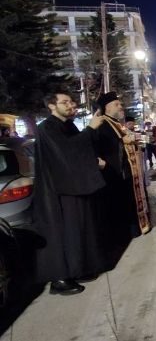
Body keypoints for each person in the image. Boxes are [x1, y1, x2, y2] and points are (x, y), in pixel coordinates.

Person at [32, 92, 107, 295]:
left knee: (77, 231)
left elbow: (81, 148)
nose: (70, 105)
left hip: (73, 186)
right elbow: (66, 152)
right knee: (63, 233)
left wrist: (93, 156)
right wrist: (90, 129)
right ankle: (59, 279)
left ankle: (76, 270)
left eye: (71, 101)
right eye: (64, 102)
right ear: (51, 106)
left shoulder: (68, 125)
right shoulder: (46, 127)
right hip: (58, 191)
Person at [93, 92, 150, 251]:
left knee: (129, 203)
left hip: (127, 173)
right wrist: (124, 141)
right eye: (116, 104)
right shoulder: (102, 124)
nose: (121, 107)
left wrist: (132, 140)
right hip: (115, 175)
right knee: (119, 206)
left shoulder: (116, 123)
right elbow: (106, 148)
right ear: (107, 108)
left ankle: (134, 229)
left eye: (120, 104)